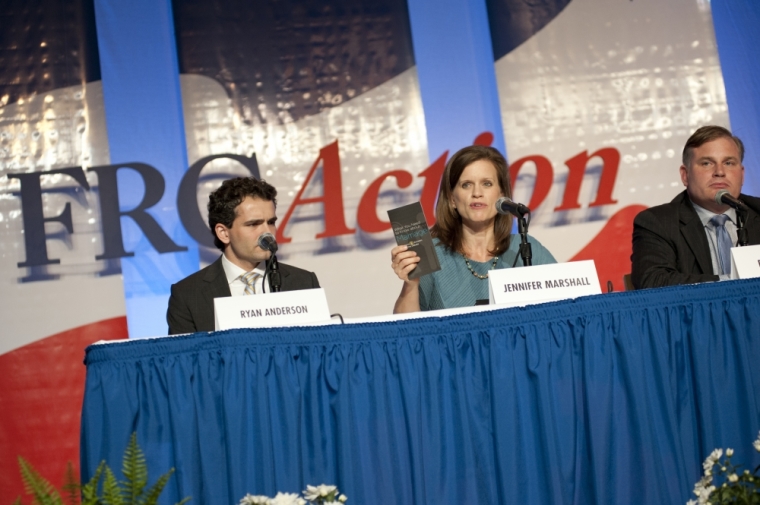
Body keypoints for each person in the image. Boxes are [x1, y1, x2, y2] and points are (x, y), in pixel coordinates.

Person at [391, 145, 556, 313]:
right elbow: (404, 332)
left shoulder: (526, 249)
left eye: (487, 183)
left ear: (501, 195)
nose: (477, 192)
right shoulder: (430, 255)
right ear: (452, 199)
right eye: (466, 185)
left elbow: (565, 310)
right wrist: (410, 286)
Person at [167, 177, 320, 334]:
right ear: (224, 233)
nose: (267, 233)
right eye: (253, 224)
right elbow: (186, 357)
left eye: (271, 222)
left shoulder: (304, 282)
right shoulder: (188, 295)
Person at [631, 125, 760, 289]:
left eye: (728, 163)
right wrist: (732, 282)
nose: (719, 172)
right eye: (707, 163)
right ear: (685, 175)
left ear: (742, 174)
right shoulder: (658, 223)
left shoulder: (756, 211)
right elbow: (653, 281)